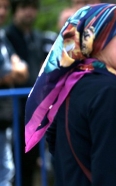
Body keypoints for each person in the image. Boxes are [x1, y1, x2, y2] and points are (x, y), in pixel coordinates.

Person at [25, 3, 116, 185]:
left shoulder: (70, 81)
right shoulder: (110, 90)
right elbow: (110, 170)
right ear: (98, 40)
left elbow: (55, 144)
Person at [0, 1, 28, 186]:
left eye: (5, 7)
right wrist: (12, 74)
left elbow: (23, 71)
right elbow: (15, 70)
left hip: (4, 118)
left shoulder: (2, 37)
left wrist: (7, 75)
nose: (2, 12)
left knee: (6, 170)